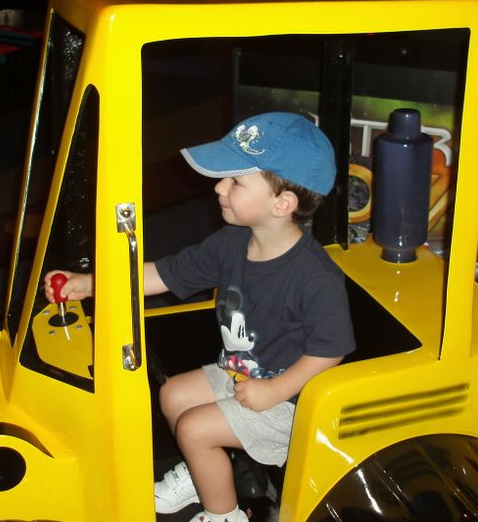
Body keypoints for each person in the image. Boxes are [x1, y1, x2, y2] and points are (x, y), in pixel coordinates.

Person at [44, 111, 355, 522]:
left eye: (236, 181)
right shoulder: (232, 242)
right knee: (172, 394)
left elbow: (330, 351)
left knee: (193, 428)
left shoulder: (315, 278)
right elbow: (163, 274)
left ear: (282, 204)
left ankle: (224, 514)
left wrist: (275, 390)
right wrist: (90, 283)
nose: (219, 187)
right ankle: (203, 472)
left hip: (292, 403)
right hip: (242, 374)